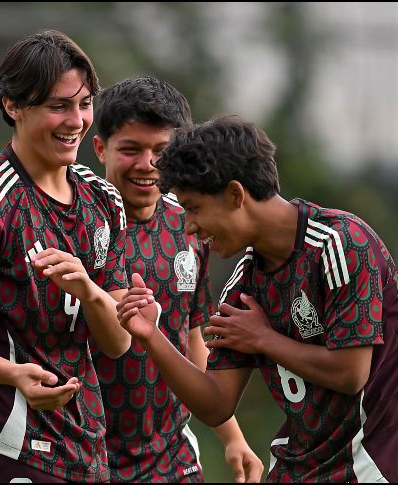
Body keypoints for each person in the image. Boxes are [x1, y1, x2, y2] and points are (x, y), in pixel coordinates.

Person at [117, 114, 397, 482]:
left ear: (236, 194)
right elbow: (216, 403)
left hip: (372, 462)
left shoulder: (342, 245)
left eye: (194, 208)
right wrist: (152, 336)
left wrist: (263, 339)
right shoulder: (244, 285)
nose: (188, 226)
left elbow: (350, 372)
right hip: (300, 467)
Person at [0, 30, 146, 483]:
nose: (76, 120)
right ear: (13, 106)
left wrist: (88, 290)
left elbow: (118, 342)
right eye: (57, 106)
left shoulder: (104, 200)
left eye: (84, 104)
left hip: (81, 446)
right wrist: (13, 374)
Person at [91, 77, 263, 483]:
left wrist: (232, 437)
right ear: (100, 149)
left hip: (171, 459)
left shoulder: (188, 223)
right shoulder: (75, 221)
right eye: (130, 150)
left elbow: (192, 336)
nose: (147, 165)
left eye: (160, 152)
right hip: (85, 458)